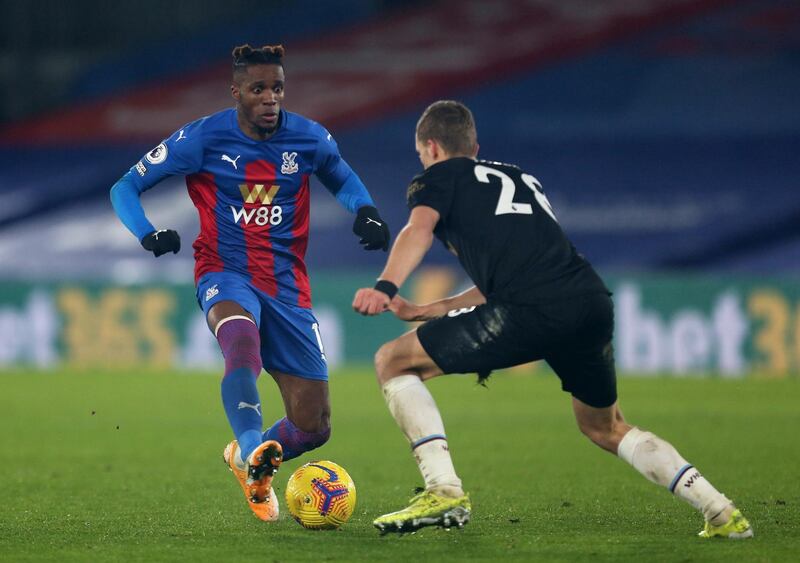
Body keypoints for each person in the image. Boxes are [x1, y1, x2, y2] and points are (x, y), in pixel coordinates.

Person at [352, 100, 752, 539]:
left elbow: (418, 230)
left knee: (393, 361)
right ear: (475, 146)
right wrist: (434, 308)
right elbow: (521, 264)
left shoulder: (437, 178)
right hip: (588, 300)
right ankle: (720, 511)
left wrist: (386, 287)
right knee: (605, 425)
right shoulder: (521, 178)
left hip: (530, 308)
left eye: (421, 155)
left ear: (431, 148)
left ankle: (443, 490)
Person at [111, 44, 390, 522]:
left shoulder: (310, 139)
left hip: (286, 286)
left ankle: (247, 460)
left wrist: (364, 212)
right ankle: (249, 445)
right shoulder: (200, 138)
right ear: (236, 92)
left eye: (277, 88)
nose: (270, 99)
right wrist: (147, 233)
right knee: (241, 344)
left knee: (314, 424)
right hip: (224, 269)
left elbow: (342, 179)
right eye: (258, 89)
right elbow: (125, 187)